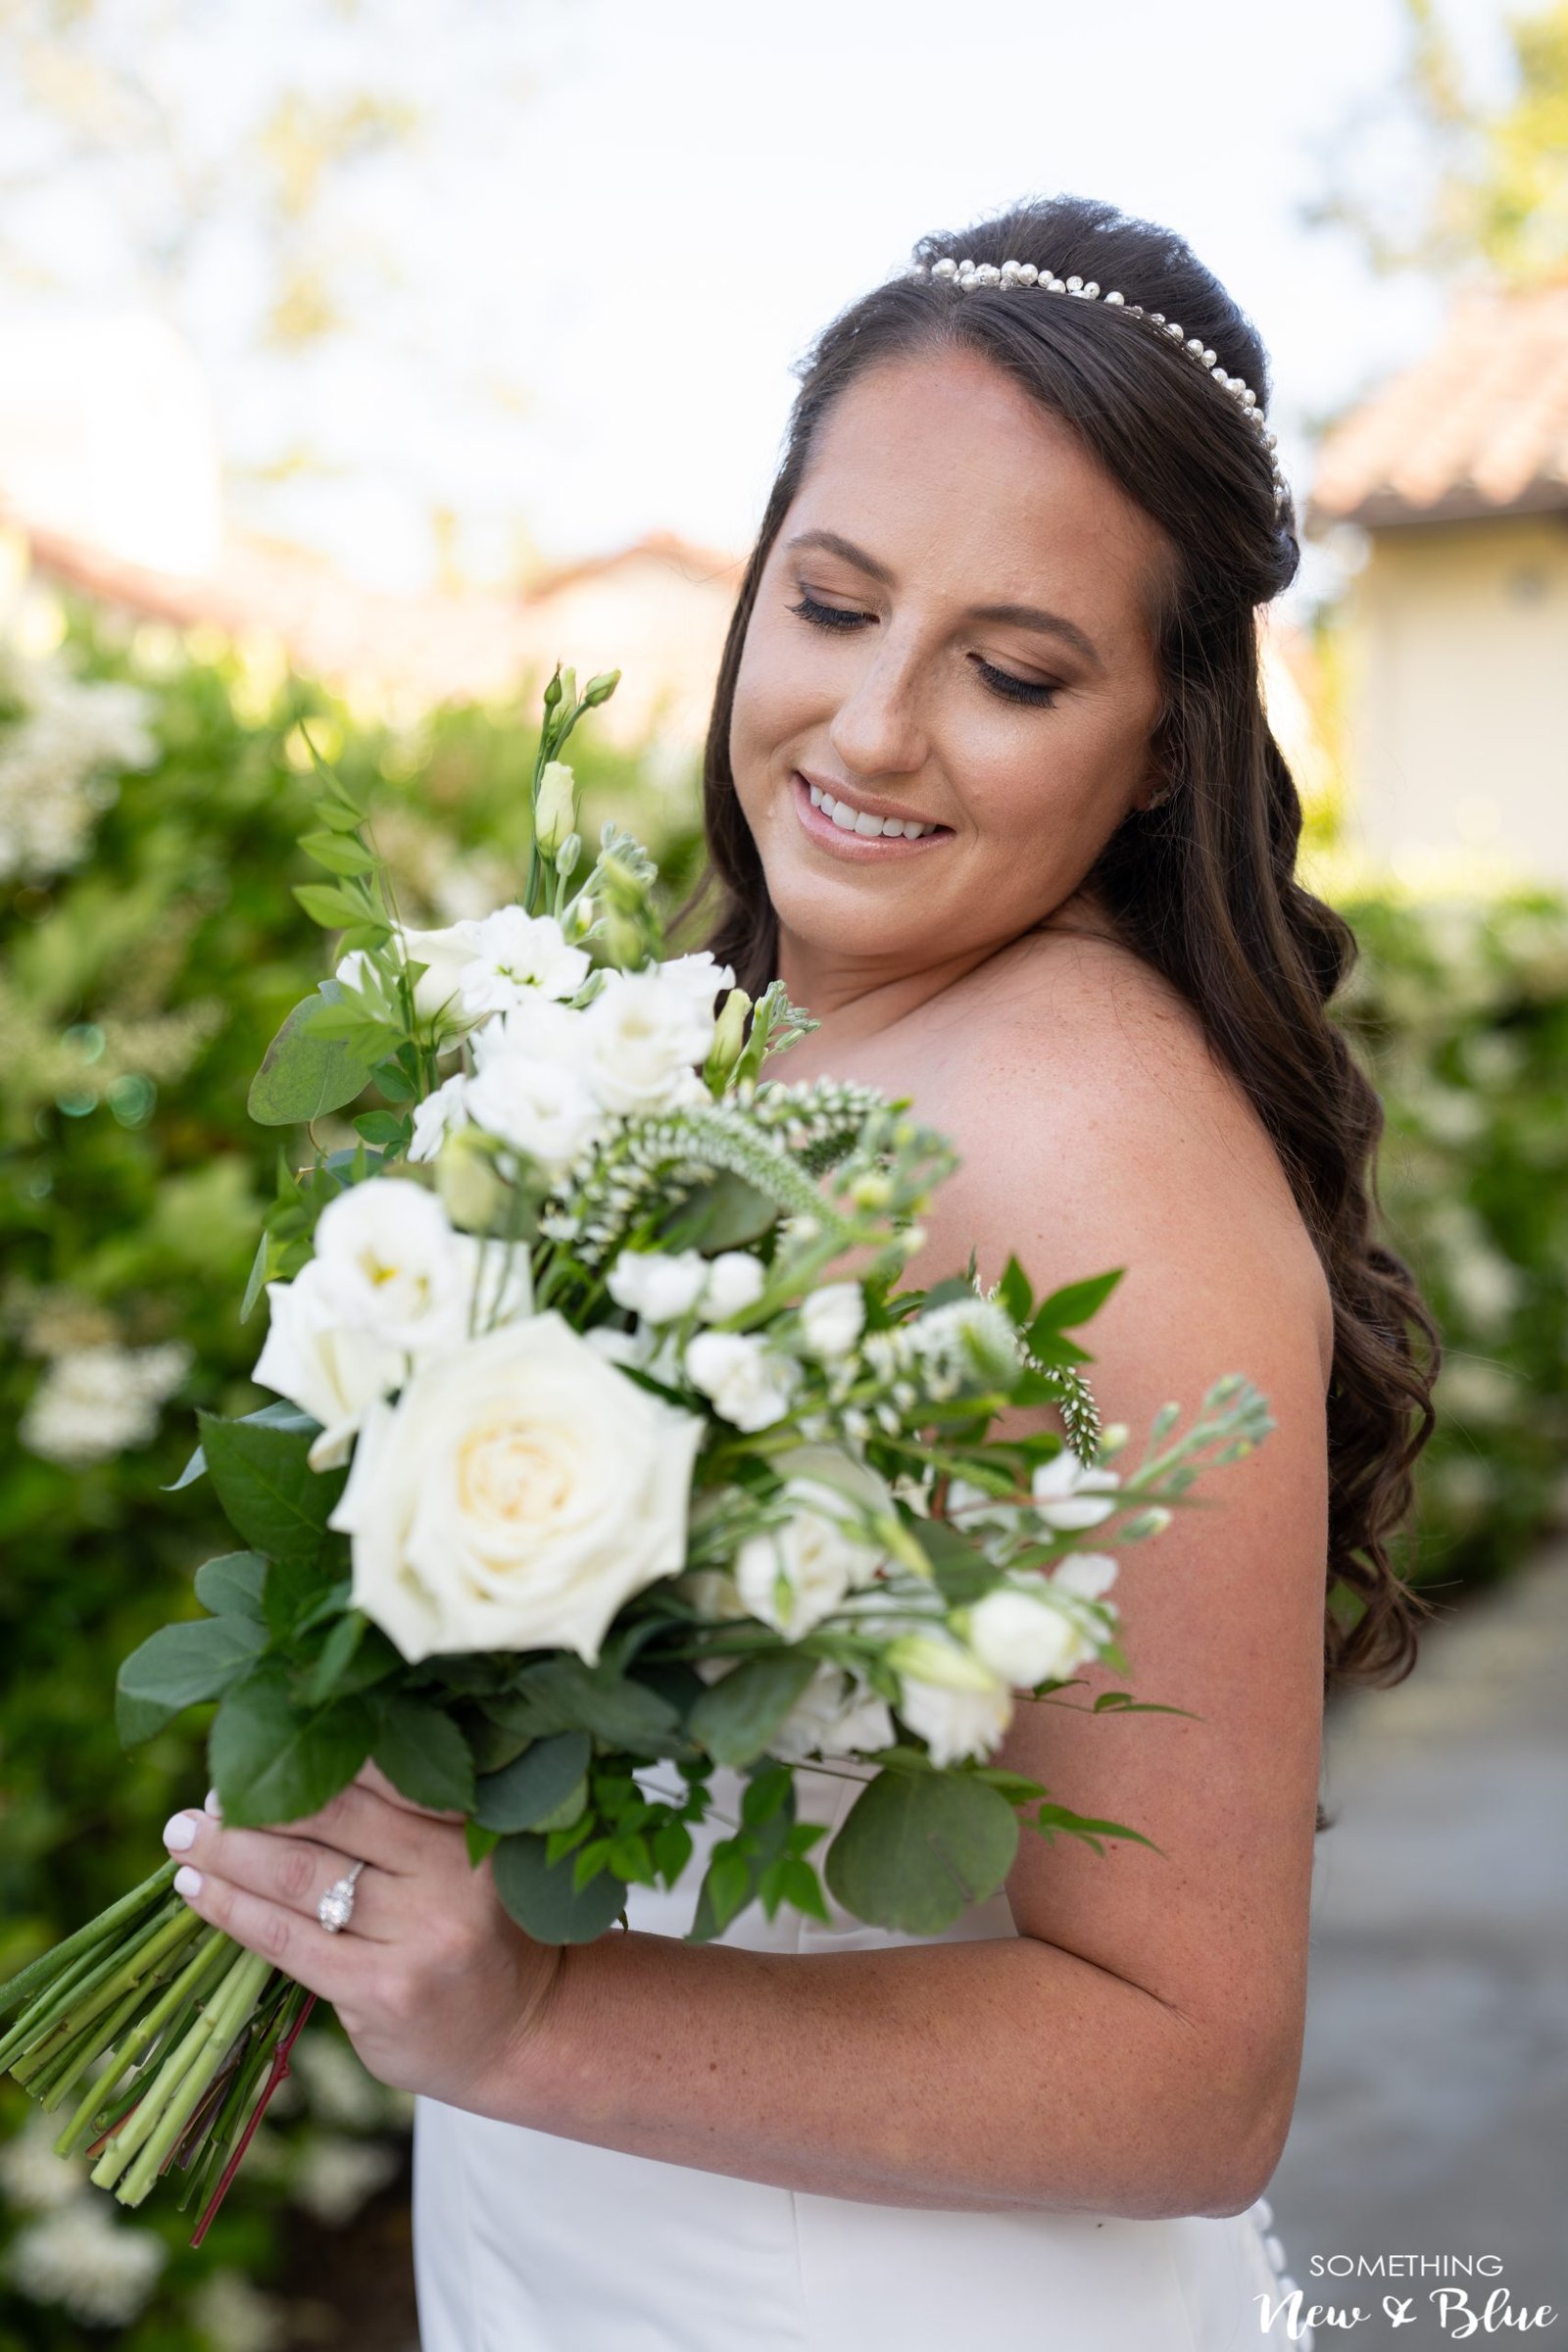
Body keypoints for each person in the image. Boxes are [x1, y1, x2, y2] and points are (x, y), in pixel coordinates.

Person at [165, 194, 1438, 2350]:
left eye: (1012, 672)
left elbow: (1195, 2070)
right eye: (833, 605)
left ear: (1163, 743)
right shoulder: (738, 1029)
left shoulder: (1093, 1148)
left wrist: (534, 2017)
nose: (867, 730)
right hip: (601, 2242)